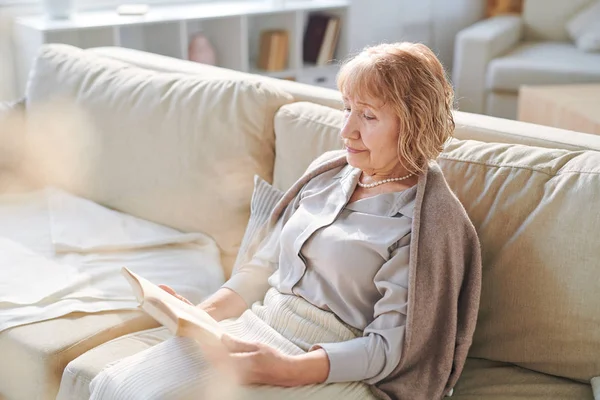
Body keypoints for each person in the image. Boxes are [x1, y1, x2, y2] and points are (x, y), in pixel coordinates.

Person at [89, 42, 482, 400]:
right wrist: (201, 315)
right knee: (117, 384)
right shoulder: (327, 175)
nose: (347, 130)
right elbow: (265, 265)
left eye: (368, 116)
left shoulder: (427, 223)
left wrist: (289, 371)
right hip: (261, 322)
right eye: (347, 109)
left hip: (329, 361)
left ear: (414, 123)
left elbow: (390, 347)